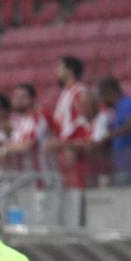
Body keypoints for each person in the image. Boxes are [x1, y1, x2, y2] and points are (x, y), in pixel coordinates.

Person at [97, 77, 131, 186]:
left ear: (109, 92)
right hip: (124, 163)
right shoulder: (117, 108)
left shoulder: (127, 103)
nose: (103, 100)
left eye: (103, 96)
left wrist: (112, 135)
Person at [53, 56, 91, 187]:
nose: (56, 71)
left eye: (60, 68)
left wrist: (74, 144)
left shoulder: (80, 92)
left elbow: (87, 122)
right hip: (65, 148)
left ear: (69, 70)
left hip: (77, 151)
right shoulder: (65, 93)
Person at [0, 83, 54, 174]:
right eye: (16, 96)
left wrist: (4, 146)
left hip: (40, 176)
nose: (18, 100)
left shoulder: (40, 118)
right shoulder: (14, 119)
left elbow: (26, 146)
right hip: (20, 176)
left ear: (32, 99)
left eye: (22, 97)